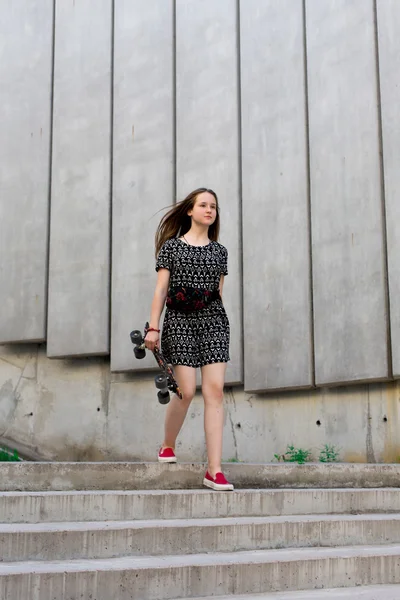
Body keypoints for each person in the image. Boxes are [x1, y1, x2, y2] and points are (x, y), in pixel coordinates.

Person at [145, 187, 234, 491]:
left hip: (213, 321)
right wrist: (153, 327)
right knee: (186, 391)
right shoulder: (171, 247)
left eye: (214, 206)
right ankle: (168, 444)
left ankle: (215, 470)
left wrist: (217, 323)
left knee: (216, 391)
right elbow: (160, 290)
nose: (210, 210)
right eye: (204, 205)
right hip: (179, 320)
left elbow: (219, 294)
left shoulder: (220, 252)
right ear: (190, 211)